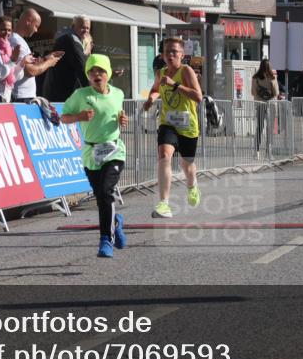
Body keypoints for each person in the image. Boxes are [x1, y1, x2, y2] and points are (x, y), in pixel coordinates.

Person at [61, 54, 129, 258]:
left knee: (106, 191)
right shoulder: (80, 95)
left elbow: (119, 113)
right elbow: (64, 117)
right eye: (91, 71)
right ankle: (115, 221)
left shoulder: (118, 93)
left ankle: (106, 240)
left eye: (100, 70)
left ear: (107, 73)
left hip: (114, 150)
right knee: (101, 197)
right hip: (92, 153)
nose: (96, 74)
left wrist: (122, 119)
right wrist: (79, 117)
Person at [143, 37, 203, 218]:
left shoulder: (186, 71)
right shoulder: (161, 73)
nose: (170, 55)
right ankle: (164, 204)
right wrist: (151, 99)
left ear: (182, 55)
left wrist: (174, 85)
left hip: (188, 126)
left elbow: (198, 96)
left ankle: (192, 186)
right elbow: (155, 89)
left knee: (187, 165)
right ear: (162, 54)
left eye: (174, 51)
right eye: (167, 51)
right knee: (164, 155)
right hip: (168, 123)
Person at [9, 7, 64, 103]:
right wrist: (49, 63)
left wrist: (45, 59)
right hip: (21, 96)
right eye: (36, 26)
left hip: (23, 95)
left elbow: (28, 65)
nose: (36, 30)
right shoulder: (16, 41)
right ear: (28, 21)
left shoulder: (19, 40)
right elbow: (29, 71)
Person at [44, 15, 90, 103]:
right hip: (63, 95)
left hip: (56, 93)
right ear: (73, 26)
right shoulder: (72, 40)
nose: (86, 31)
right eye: (83, 27)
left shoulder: (66, 38)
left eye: (88, 28)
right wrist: (92, 92)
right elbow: (82, 67)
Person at [251, 58, 280, 155]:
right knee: (270, 128)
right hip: (271, 104)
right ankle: (269, 150)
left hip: (260, 105)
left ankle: (257, 150)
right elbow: (276, 93)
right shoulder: (272, 77)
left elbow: (253, 92)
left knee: (259, 127)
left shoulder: (255, 78)